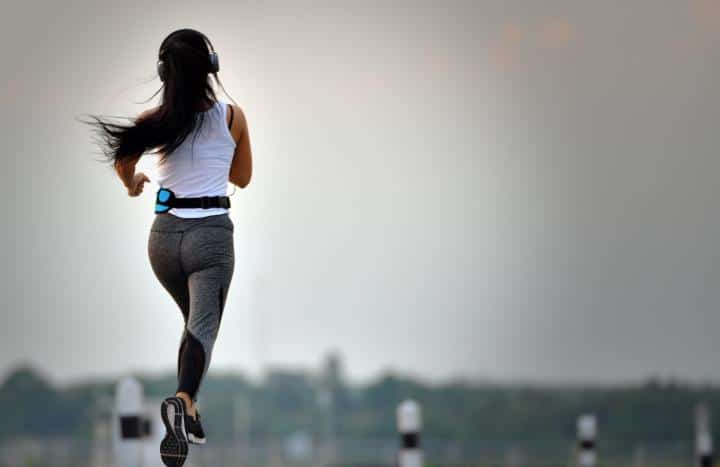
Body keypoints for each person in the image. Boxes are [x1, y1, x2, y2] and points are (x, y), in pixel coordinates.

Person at [80, 28, 252, 466]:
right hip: (210, 236)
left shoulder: (152, 123)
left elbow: (124, 164)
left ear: (164, 72)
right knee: (203, 329)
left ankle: (189, 408)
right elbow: (243, 178)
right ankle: (182, 402)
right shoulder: (233, 116)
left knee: (195, 325)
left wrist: (134, 184)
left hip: (162, 240)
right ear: (211, 67)